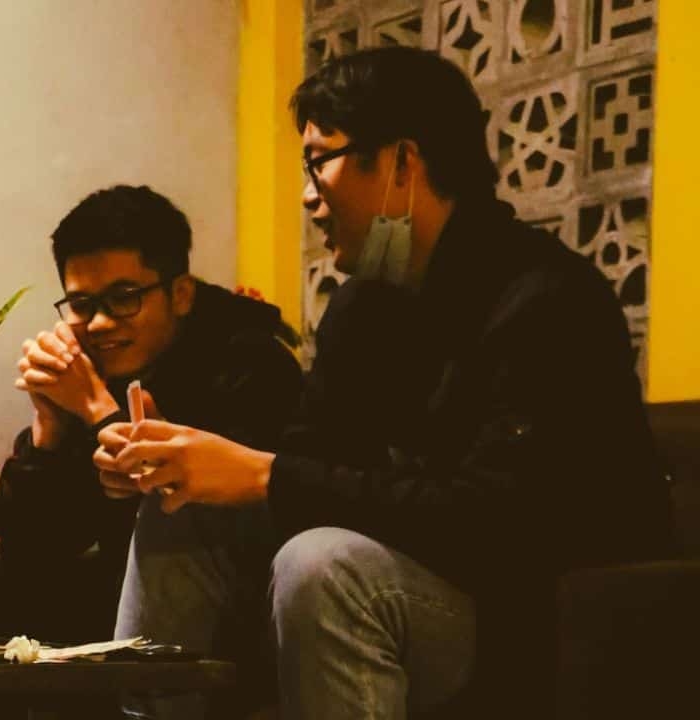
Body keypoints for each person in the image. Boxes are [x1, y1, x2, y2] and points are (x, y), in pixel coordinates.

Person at [95, 47, 673, 720]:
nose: (308, 195)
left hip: (536, 613)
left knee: (325, 566)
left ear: (402, 163)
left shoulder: (547, 301)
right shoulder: (364, 307)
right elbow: (317, 467)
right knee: (184, 516)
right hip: (419, 584)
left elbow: (494, 524)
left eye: (320, 161)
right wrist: (182, 465)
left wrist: (266, 475)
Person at [0, 185, 302, 654]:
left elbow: (201, 526)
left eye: (124, 297)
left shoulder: (249, 363)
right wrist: (49, 426)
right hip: (119, 576)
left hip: (224, 590)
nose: (100, 323)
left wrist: (94, 406)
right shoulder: (94, 365)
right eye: (81, 304)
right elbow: (29, 555)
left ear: (181, 294)